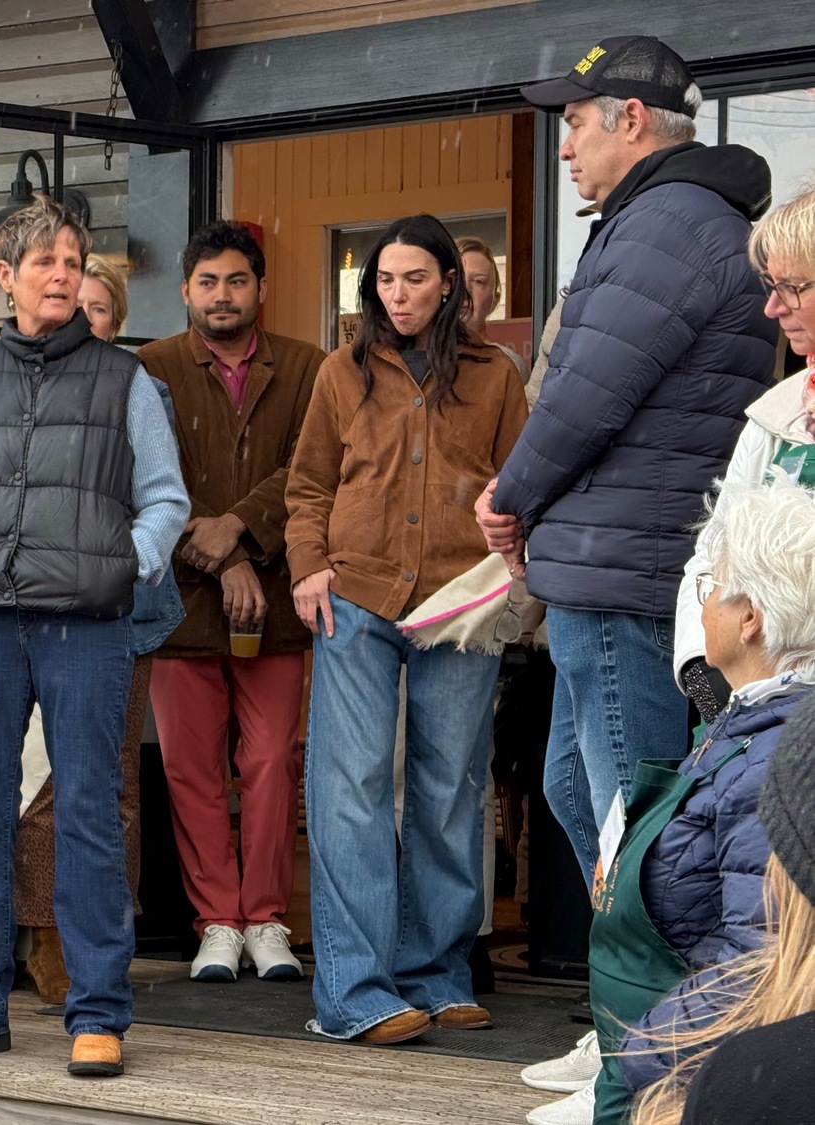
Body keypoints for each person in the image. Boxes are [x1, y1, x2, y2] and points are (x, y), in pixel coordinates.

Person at [476, 37, 777, 899]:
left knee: (635, 812)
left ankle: (655, 1024)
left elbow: (582, 394)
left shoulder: (666, 224)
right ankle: (629, 1015)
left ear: (632, 120)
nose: (563, 147)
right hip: (622, 556)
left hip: (623, 564)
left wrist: (510, 495)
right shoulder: (675, 220)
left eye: (573, 125)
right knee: (580, 789)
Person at [0, 194, 189, 1078]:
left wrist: (120, 566)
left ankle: (97, 1009)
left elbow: (166, 501)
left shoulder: (126, 380)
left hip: (87, 627)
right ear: (7, 277)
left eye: (73, 260)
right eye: (44, 261)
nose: (63, 273)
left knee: (89, 816)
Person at [285, 213, 528, 1045]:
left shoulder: (497, 375)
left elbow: (518, 487)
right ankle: (354, 991)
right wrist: (306, 565)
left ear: (449, 284)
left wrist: (511, 575)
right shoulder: (339, 372)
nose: (398, 295)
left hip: (460, 602)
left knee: (450, 785)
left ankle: (436, 971)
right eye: (385, 280)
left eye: (415, 279)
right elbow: (309, 484)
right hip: (354, 595)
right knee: (348, 787)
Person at [524, 478, 815, 1125]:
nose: (700, 601)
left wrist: (641, 1054)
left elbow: (760, 966)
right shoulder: (740, 730)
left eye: (711, 584)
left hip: (683, 1085)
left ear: (751, 618)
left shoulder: (777, 761)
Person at [136, 221, 323, 983]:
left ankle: (269, 918)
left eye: (236, 280)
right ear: (185, 290)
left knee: (275, 759)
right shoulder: (148, 369)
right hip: (179, 605)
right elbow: (147, 476)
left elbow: (310, 468)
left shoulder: (310, 367)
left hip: (277, 602)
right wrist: (215, 557)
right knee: (191, 768)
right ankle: (217, 918)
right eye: (207, 282)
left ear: (261, 289)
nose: (222, 295)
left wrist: (242, 534)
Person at [14, 254, 186, 1004]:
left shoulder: (147, 390)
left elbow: (160, 499)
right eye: (71, 304)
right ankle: (43, 933)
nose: (83, 318)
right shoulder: (15, 385)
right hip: (29, 611)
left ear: (116, 321)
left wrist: (125, 566)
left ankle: (103, 936)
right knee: (42, 781)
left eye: (100, 309)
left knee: (112, 782)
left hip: (122, 609)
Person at [627, 685, 815, 1125]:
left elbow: (759, 947)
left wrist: (644, 1048)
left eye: (701, 608)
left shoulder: (752, 1081)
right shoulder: (736, 729)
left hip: (713, 1046)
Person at [675, 185, 815, 725]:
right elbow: (712, 560)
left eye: (791, 287)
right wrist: (705, 677)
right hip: (763, 715)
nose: (772, 306)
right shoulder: (777, 416)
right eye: (770, 286)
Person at [455, 236, 528, 379]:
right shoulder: (415, 356)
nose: (465, 291)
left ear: (495, 300)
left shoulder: (508, 364)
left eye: (478, 281)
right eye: (456, 279)